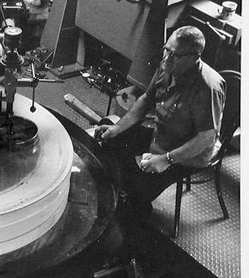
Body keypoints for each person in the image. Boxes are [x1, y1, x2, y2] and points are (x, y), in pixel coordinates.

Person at [94, 25, 226, 216]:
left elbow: (206, 137)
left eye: (174, 54)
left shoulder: (208, 88)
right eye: (166, 50)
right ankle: (127, 187)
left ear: (194, 57)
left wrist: (166, 160)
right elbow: (146, 100)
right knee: (108, 137)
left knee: (137, 196)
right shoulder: (167, 66)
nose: (166, 57)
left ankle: (135, 204)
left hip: (187, 154)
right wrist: (117, 128)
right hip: (162, 134)